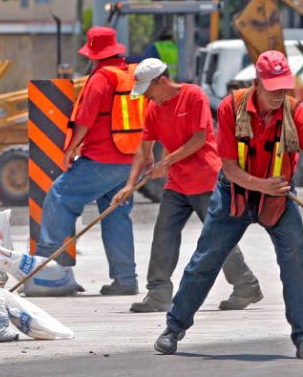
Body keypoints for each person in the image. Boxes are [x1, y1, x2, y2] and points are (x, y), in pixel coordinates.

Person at [153, 50, 303, 360]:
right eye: (272, 88)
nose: (278, 94)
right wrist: (261, 185)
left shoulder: (296, 113)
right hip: (235, 194)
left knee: (296, 259)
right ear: (257, 83)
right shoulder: (232, 108)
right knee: (205, 260)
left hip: (278, 199)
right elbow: (229, 167)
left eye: (284, 87)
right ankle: (174, 327)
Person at [111, 58, 263, 313]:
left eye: (149, 90)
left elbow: (200, 138)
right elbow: (143, 150)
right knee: (164, 235)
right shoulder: (152, 108)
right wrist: (129, 185)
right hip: (177, 184)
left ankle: (245, 285)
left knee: (217, 237)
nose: (148, 97)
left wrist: (166, 161)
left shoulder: (193, 95)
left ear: (162, 81)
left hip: (206, 178)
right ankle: (158, 293)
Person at [37, 26, 144, 295]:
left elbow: (84, 119)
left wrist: (70, 148)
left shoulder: (101, 78)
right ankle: (125, 279)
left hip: (102, 159)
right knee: (116, 215)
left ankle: (43, 266)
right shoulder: (132, 75)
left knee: (60, 196)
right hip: (131, 160)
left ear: (93, 54)